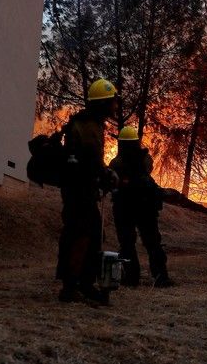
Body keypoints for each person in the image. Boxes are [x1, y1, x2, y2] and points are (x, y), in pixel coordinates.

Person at [56, 78, 118, 305]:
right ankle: (71, 286)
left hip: (80, 189)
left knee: (90, 234)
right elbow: (90, 160)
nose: (115, 106)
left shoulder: (90, 123)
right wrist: (104, 175)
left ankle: (83, 283)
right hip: (79, 191)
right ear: (102, 103)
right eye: (112, 101)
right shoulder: (88, 126)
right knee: (81, 235)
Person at [109, 126, 173, 288]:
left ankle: (131, 278)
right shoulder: (146, 159)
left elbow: (113, 182)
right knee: (153, 242)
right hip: (146, 206)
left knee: (127, 243)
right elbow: (148, 171)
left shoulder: (115, 163)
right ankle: (161, 277)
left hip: (124, 207)